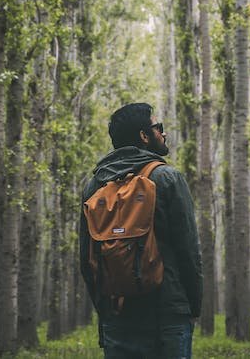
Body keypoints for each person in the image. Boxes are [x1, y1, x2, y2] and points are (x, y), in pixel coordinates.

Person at [79, 102, 203, 359]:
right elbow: (189, 252)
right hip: (168, 314)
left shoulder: (94, 187)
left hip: (118, 315)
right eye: (159, 128)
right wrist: (191, 307)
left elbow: (86, 260)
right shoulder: (167, 178)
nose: (164, 133)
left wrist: (105, 312)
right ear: (144, 136)